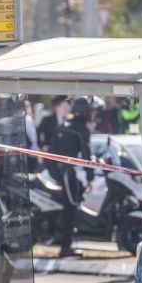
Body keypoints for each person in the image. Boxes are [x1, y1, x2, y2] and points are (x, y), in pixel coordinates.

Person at [48, 97, 94, 259]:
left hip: (59, 172)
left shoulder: (63, 124)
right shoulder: (81, 128)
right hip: (69, 173)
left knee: (69, 207)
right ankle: (65, 246)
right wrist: (90, 178)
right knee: (70, 208)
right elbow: (87, 154)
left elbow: (50, 151)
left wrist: (55, 173)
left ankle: (62, 241)